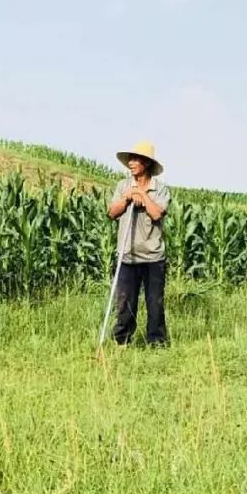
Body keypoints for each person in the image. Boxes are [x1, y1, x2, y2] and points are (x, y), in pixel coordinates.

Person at [107, 141, 171, 347]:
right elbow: (112, 212)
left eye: (135, 159)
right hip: (127, 255)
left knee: (155, 303)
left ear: (147, 163)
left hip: (153, 257)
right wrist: (127, 199)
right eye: (130, 160)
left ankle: (157, 342)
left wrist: (142, 196)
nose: (131, 163)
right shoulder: (122, 187)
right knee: (125, 303)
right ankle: (121, 341)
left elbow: (157, 213)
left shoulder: (160, 190)